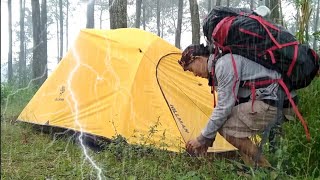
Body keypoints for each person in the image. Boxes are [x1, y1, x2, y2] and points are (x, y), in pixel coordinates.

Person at [178, 44, 295, 167]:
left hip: (278, 102)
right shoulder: (221, 64)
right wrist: (208, 139)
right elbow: (227, 109)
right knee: (229, 124)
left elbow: (223, 108)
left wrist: (201, 139)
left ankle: (264, 167)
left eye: (191, 69)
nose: (194, 74)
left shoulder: (223, 65)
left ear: (198, 59)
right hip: (275, 99)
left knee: (227, 128)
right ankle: (252, 167)